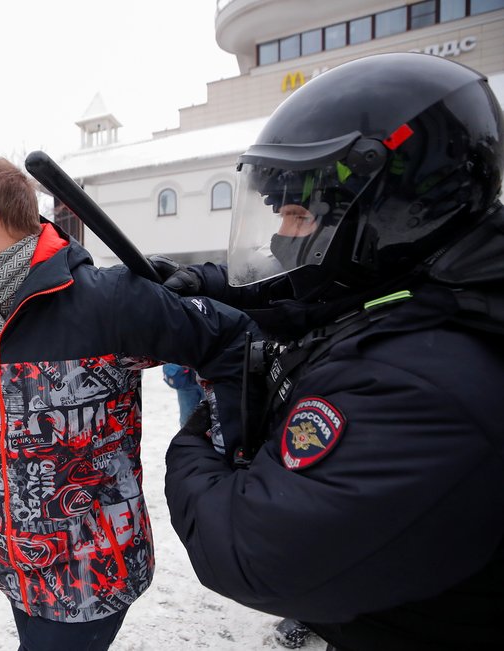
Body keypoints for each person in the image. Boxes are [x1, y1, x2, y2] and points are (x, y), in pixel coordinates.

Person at [156, 53, 504, 650]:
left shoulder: (422, 382)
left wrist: (201, 435)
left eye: (296, 214)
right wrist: (211, 283)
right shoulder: (424, 294)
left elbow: (248, 550)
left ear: (384, 214)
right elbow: (319, 298)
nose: (280, 235)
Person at [0, 157, 255, 651]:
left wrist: (219, 451)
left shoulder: (108, 302)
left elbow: (236, 342)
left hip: (96, 574)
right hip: (15, 566)